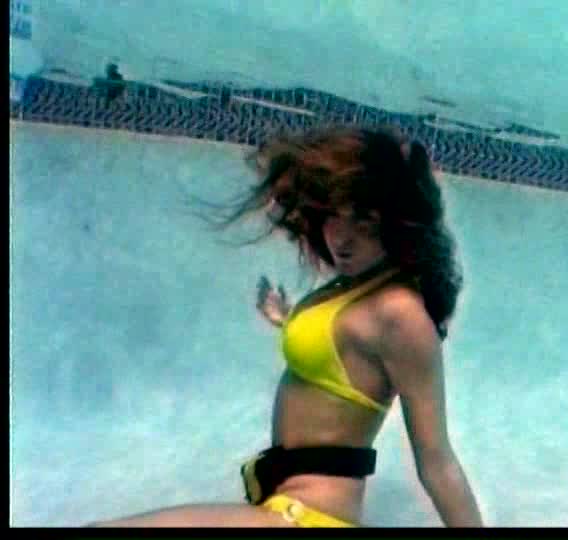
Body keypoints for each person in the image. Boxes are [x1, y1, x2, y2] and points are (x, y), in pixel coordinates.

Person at [90, 126, 483, 527]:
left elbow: (438, 464)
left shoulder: (399, 313)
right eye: (334, 215)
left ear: (398, 224)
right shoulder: (357, 286)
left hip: (308, 516)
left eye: (363, 222)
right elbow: (341, 352)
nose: (342, 239)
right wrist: (287, 319)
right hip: (285, 507)